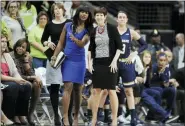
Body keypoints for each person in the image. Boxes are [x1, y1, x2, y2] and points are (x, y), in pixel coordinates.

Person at [51, 5, 93, 126]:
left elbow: (82, 44)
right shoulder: (68, 25)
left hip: (79, 60)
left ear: (89, 16)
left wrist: (75, 39)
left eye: (87, 13)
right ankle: (65, 117)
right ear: (78, 13)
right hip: (68, 59)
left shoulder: (89, 29)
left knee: (78, 89)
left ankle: (75, 117)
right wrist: (54, 56)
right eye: (82, 12)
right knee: (67, 86)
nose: (84, 14)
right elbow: (60, 42)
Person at [88, 7, 122, 126]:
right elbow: (91, 49)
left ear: (105, 16)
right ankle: (94, 119)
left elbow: (120, 47)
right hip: (98, 64)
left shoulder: (112, 29)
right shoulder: (93, 30)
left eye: (101, 15)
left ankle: (114, 119)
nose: (99, 17)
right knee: (96, 91)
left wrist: (114, 61)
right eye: (97, 15)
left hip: (111, 64)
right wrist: (90, 63)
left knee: (111, 91)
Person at [41, 3, 71, 125]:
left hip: (68, 57)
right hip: (54, 57)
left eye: (59, 9)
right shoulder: (49, 24)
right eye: (55, 9)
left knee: (69, 86)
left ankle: (67, 115)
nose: (57, 11)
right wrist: (48, 44)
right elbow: (43, 39)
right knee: (54, 86)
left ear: (63, 10)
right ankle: (56, 116)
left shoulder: (69, 22)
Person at [116, 11, 148, 126]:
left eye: (124, 17)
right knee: (108, 91)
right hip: (115, 63)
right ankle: (108, 116)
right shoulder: (112, 31)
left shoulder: (131, 32)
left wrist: (135, 53)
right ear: (117, 19)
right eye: (120, 17)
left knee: (129, 91)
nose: (122, 19)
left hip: (126, 64)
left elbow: (144, 44)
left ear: (127, 19)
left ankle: (133, 118)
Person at [1, 31, 31, 125]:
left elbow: (14, 71)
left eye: (5, 41)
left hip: (11, 80)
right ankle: (10, 115)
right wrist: (15, 80)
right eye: (2, 41)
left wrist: (19, 79)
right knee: (13, 86)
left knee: (26, 85)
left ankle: (20, 114)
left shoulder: (7, 55)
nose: (4, 44)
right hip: (3, 81)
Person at [10, 38, 43, 126]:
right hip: (15, 79)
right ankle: (19, 114)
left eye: (23, 47)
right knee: (27, 85)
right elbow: (17, 75)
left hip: (26, 80)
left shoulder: (28, 57)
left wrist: (26, 62)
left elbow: (32, 73)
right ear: (15, 46)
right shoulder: (11, 56)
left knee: (37, 84)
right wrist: (32, 77)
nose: (20, 48)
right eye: (19, 46)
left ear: (26, 50)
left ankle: (30, 113)